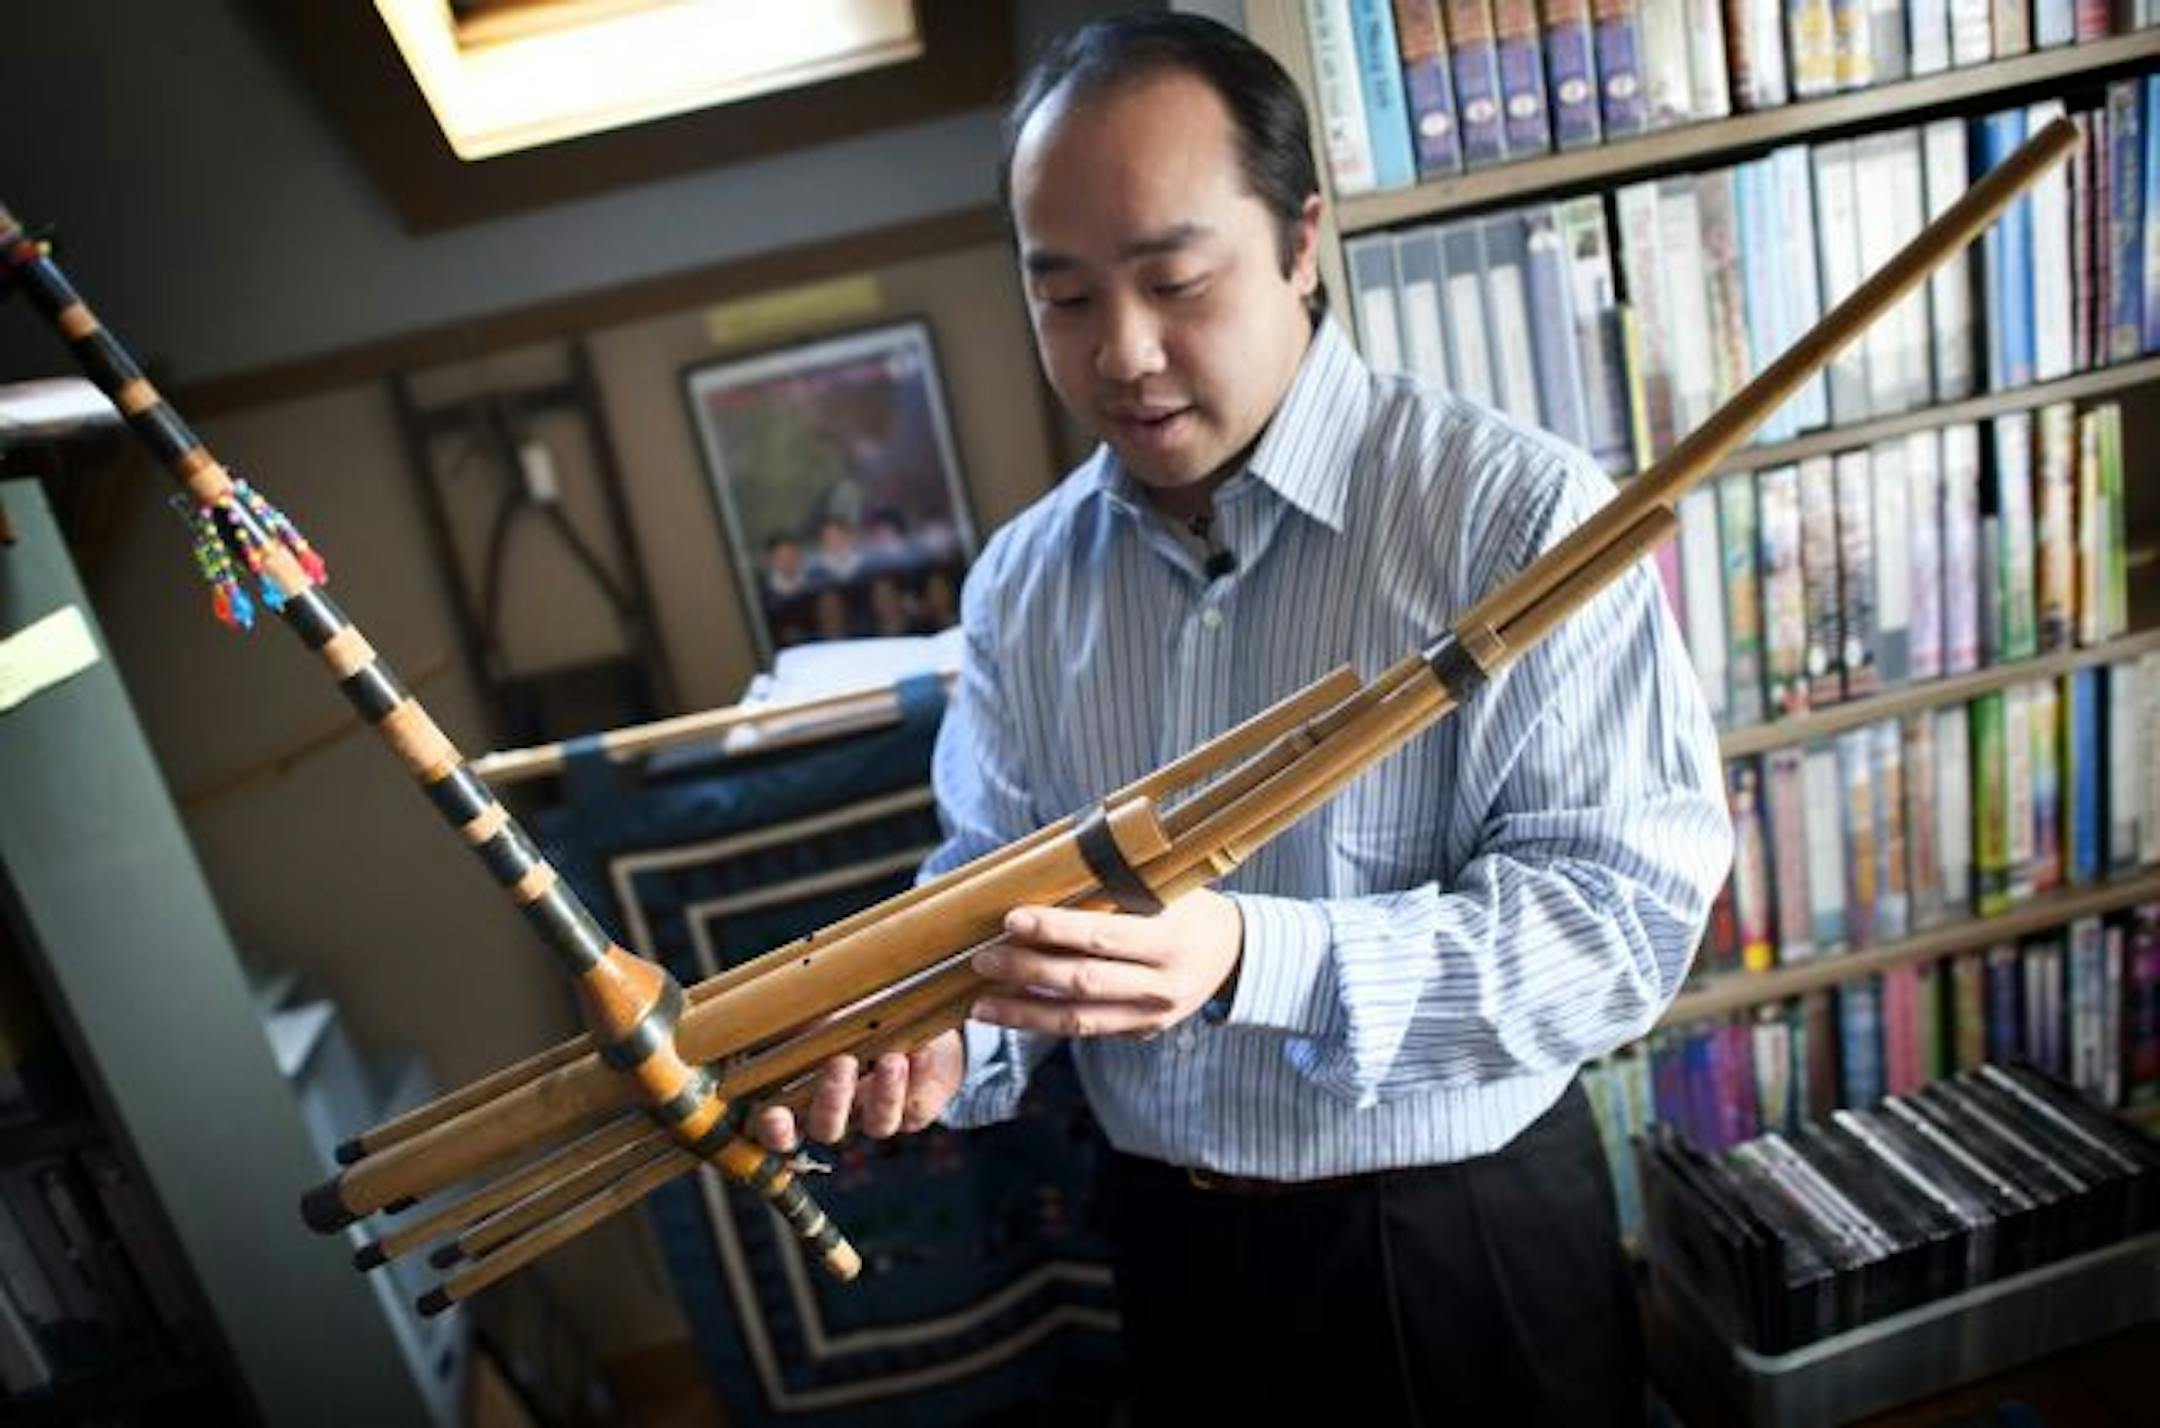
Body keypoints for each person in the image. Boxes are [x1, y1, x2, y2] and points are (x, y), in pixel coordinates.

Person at [754, 14, 1731, 1422]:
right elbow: (992, 895)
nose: (1124, 352)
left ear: (1300, 242)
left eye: (1176, 281)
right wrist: (938, 1039)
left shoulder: (1517, 517)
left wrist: (1251, 957)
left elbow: (1620, 928)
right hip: (1170, 1241)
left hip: (1450, 1238)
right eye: (1065, 299)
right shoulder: (1023, 585)